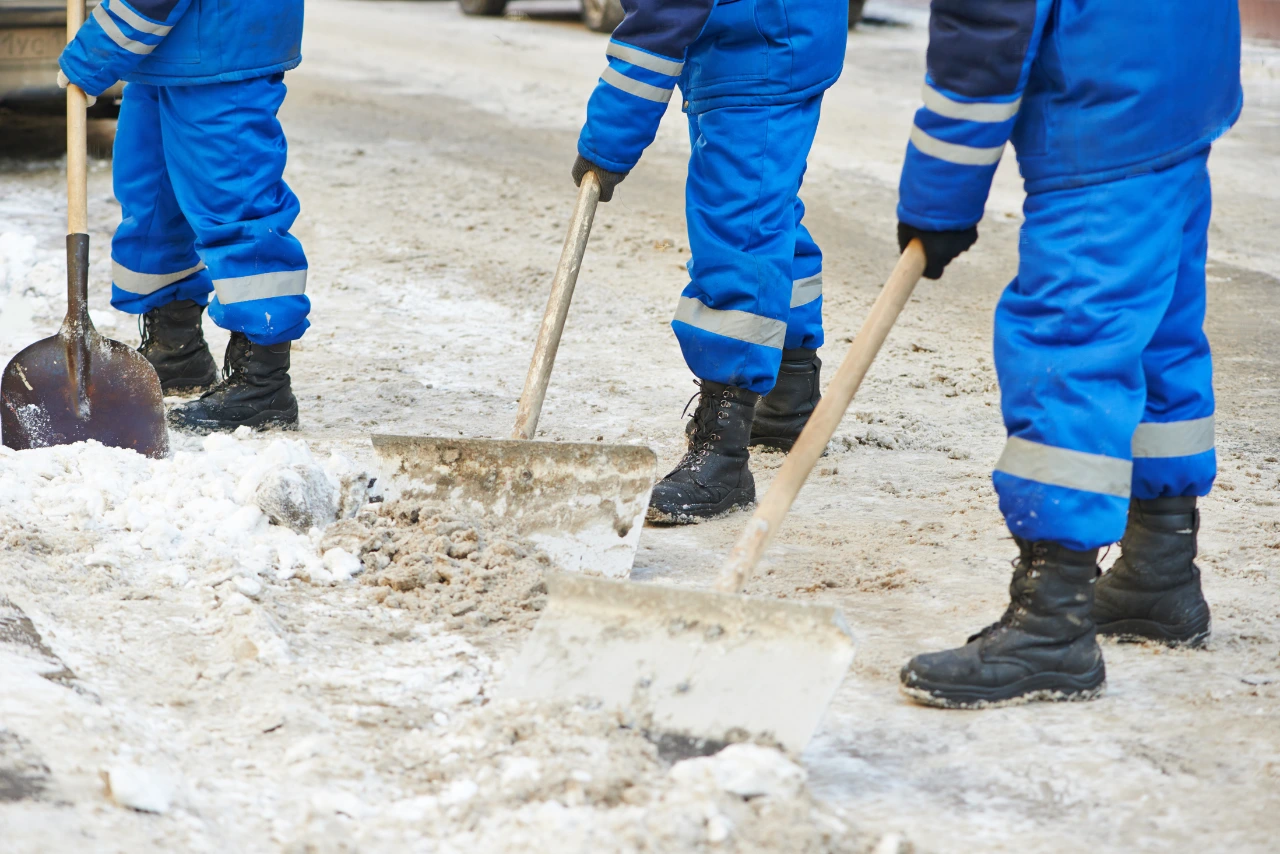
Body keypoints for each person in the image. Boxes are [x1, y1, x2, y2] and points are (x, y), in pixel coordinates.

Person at [893, 0, 1242, 708]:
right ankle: (1160, 569)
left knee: (1070, 346)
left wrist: (940, 197)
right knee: (1159, 336)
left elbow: (986, 28)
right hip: (1177, 83)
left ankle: (1052, 624)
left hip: (1100, 109)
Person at [571, 0, 847, 523]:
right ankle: (788, 399)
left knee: (738, 232)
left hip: (761, 42)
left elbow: (664, 13)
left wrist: (609, 140)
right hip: (761, 31)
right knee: (764, 211)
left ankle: (723, 452)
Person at [58, 0, 308, 433]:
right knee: (152, 201)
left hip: (221, 42)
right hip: (168, 45)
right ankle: (177, 349)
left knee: (237, 207)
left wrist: (94, 51)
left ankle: (263, 383)